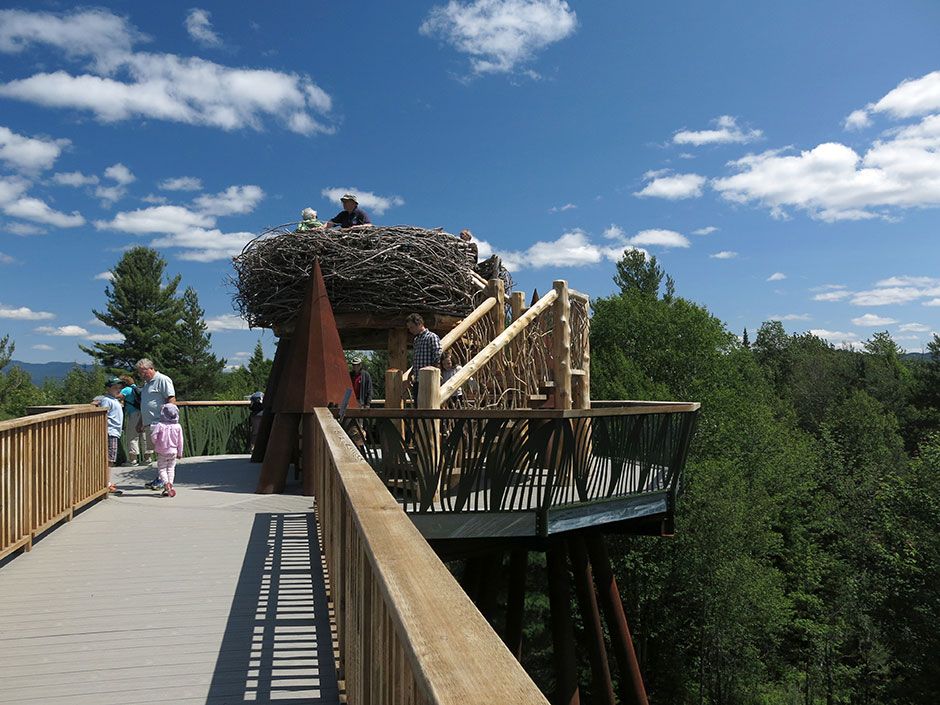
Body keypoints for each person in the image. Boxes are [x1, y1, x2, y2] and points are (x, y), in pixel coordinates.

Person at [136, 358, 176, 491]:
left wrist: (170, 421)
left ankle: (164, 481)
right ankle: (161, 478)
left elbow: (171, 399)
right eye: (140, 372)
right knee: (158, 453)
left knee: (163, 453)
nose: (141, 375)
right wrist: (141, 422)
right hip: (150, 424)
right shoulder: (146, 384)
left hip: (161, 423)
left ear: (151, 368)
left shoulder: (162, 380)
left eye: (143, 371)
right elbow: (145, 405)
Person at [94, 377, 125, 493]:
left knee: (110, 458)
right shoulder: (107, 400)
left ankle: (106, 481)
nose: (118, 389)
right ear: (108, 388)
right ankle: (106, 483)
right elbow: (104, 414)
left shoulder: (114, 400)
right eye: (115, 387)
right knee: (109, 459)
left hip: (114, 431)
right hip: (110, 431)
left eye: (119, 387)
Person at [150, 403, 184, 498]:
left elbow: (153, 436)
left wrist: (156, 443)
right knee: (171, 468)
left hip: (162, 451)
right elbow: (180, 441)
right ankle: (170, 485)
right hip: (173, 451)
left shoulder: (160, 425)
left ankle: (166, 483)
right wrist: (180, 452)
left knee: (162, 468)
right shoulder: (178, 426)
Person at [406, 313, 441, 401]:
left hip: (428, 379)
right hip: (417, 380)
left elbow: (437, 355)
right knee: (418, 405)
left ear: (420, 324)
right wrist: (411, 373)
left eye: (412, 327)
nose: (410, 330)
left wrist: (433, 373)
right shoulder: (416, 340)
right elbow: (416, 360)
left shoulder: (431, 337)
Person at [119, 374, 144, 465]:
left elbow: (116, 396)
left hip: (134, 414)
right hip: (143, 413)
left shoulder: (126, 389)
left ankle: (133, 460)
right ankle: (147, 459)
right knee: (143, 436)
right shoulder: (137, 388)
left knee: (132, 436)